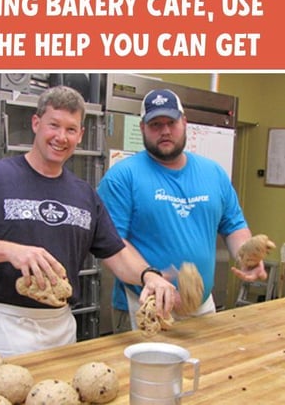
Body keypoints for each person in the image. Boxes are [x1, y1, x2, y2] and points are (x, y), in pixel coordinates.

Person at [0, 85, 174, 359]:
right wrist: (10, 250)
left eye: (71, 129)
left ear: (81, 135)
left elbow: (117, 253)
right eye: (54, 125)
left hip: (59, 329)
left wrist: (148, 276)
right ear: (36, 123)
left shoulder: (84, 194)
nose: (61, 137)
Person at [97, 88, 268, 332]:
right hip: (145, 306)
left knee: (208, 369)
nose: (165, 130)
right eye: (155, 124)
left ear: (184, 123)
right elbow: (112, 243)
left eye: (171, 122)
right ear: (143, 128)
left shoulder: (213, 173)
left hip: (203, 306)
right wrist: (151, 276)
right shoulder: (122, 177)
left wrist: (247, 258)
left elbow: (234, 226)